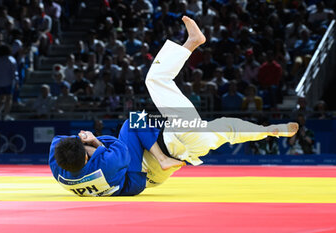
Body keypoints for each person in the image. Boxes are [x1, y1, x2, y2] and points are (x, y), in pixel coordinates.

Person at [49, 16, 298, 197]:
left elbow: (62, 144)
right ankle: (192, 42)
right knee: (150, 89)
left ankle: (270, 129)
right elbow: (113, 145)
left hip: (166, 166)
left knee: (226, 128)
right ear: (85, 154)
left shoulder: (62, 169)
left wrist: (85, 144)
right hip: (169, 147)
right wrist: (95, 140)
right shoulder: (105, 163)